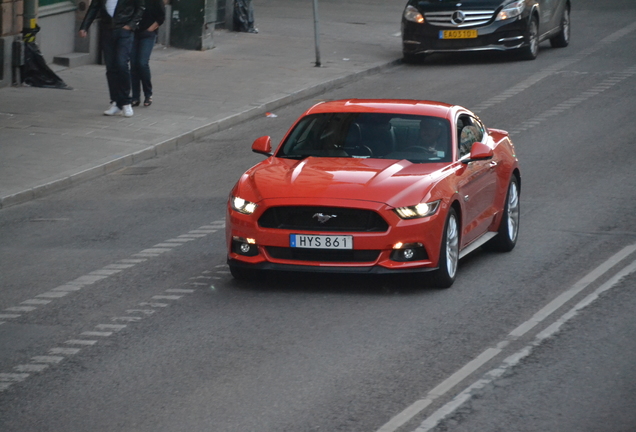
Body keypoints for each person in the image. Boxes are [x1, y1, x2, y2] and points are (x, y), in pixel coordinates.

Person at [79, 0, 145, 117]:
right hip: (107, 29)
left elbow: (140, 7)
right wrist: (84, 26)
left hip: (124, 30)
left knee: (122, 63)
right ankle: (115, 101)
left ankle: (126, 101)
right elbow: (94, 7)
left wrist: (131, 25)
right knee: (110, 67)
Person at [130, 0, 165, 108]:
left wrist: (150, 29)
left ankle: (148, 94)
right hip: (134, 33)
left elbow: (161, 17)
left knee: (142, 63)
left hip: (147, 34)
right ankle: (135, 97)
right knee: (134, 64)